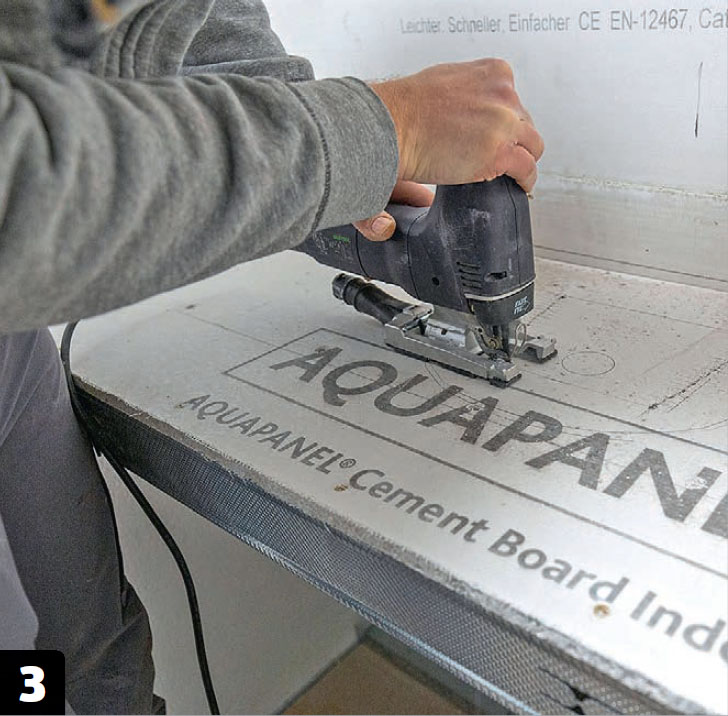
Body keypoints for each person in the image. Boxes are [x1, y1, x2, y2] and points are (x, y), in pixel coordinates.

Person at [0, 0, 544, 712]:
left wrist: (331, 168)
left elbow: (208, 37)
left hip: (12, 341)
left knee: (97, 656)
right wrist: (378, 129)